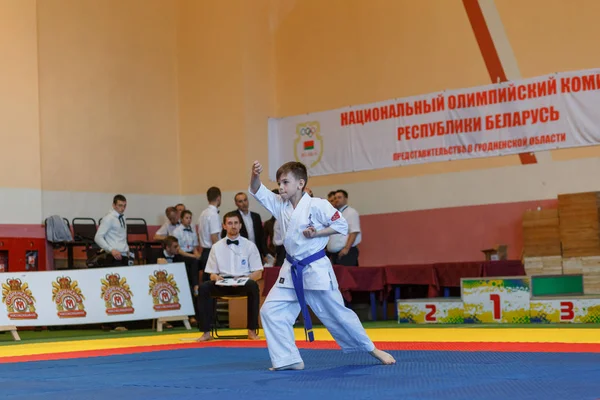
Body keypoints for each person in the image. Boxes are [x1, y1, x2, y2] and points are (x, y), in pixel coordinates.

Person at [249, 160, 395, 371]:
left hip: (315, 269)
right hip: (291, 270)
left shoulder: (318, 205)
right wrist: (254, 175)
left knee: (336, 313)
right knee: (271, 311)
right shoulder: (279, 203)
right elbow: (256, 189)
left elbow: (341, 225)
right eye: (279, 182)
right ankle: (288, 359)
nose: (280, 187)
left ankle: (372, 349)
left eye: (285, 182)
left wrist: (317, 233)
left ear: (300, 184)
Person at [196, 211, 263, 341]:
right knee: (204, 288)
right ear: (224, 226)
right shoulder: (216, 247)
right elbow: (212, 274)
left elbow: (258, 272)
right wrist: (216, 278)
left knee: (253, 286)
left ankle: (252, 330)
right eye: (230, 223)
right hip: (223, 282)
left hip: (244, 281)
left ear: (240, 225)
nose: (233, 226)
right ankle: (206, 332)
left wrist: (246, 279)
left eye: (236, 223)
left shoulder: (250, 246)